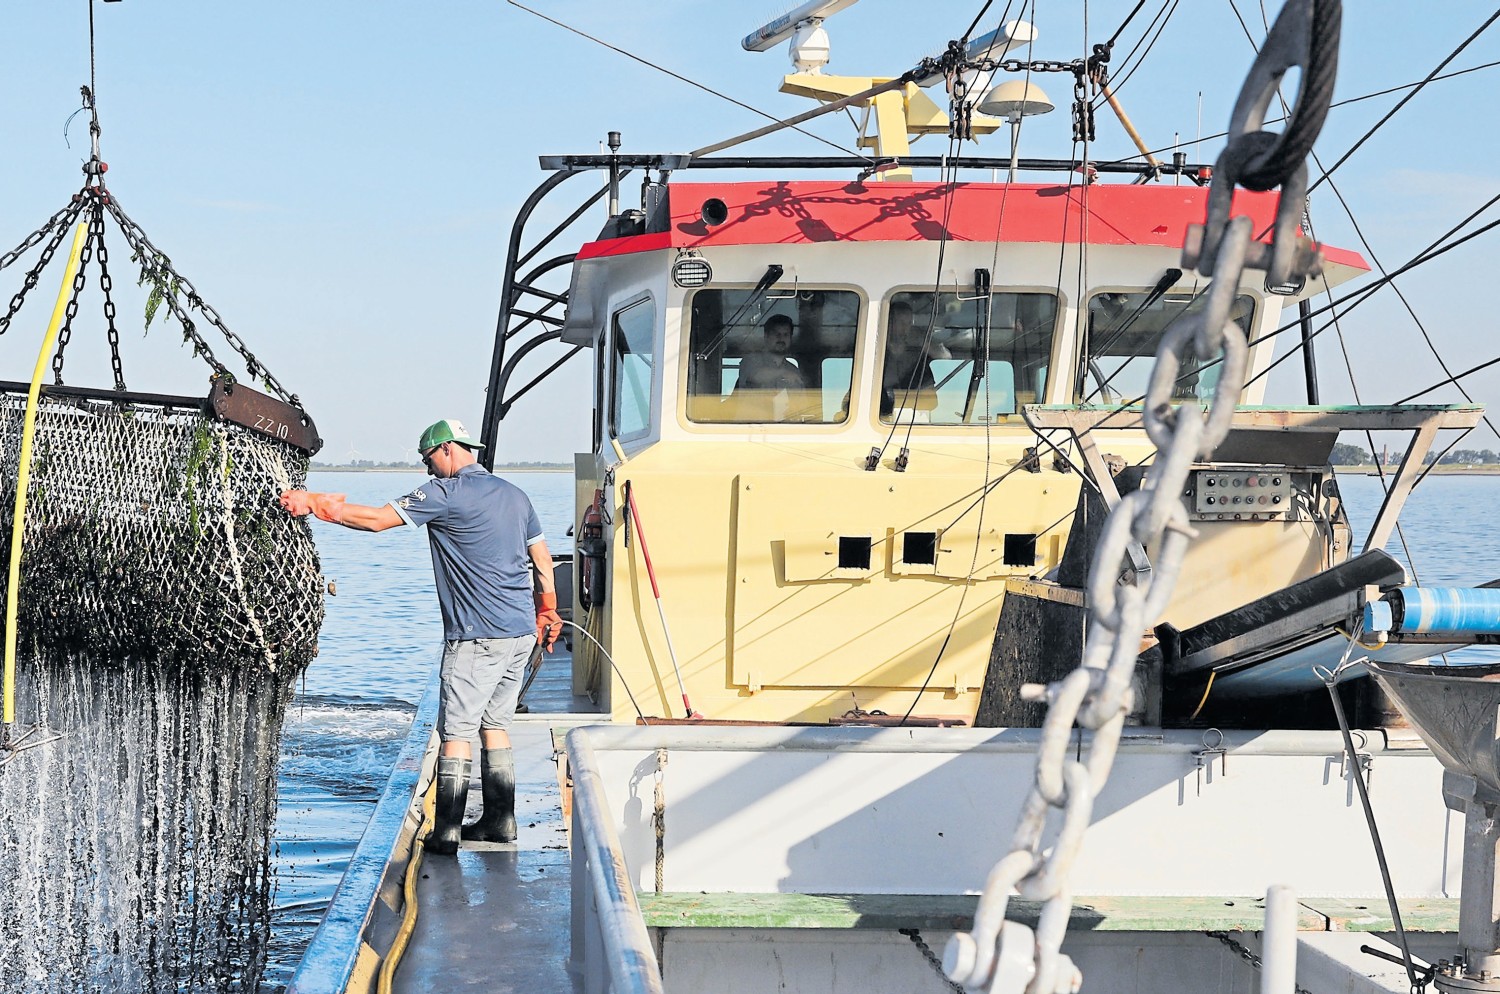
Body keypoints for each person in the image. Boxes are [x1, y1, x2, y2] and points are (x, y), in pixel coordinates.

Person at [278, 418, 561, 855]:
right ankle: (501, 822)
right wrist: (548, 610)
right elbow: (541, 561)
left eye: (429, 461)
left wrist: (314, 503)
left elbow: (375, 520)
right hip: (520, 632)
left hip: (476, 635)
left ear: (447, 449)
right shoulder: (516, 495)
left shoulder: (444, 494)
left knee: (456, 731)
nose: (428, 472)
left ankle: (446, 833)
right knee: (496, 725)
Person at [880, 301, 940, 417]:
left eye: (908, 323)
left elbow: (931, 402)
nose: (905, 328)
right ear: (889, 323)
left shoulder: (918, 360)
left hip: (912, 423)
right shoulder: (875, 357)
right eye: (901, 322)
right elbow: (850, 402)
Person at [734, 314, 805, 393]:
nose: (781, 338)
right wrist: (782, 373)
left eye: (785, 335)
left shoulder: (793, 370)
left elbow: (801, 401)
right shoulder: (750, 361)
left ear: (790, 338)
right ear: (766, 336)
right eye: (776, 334)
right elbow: (756, 376)